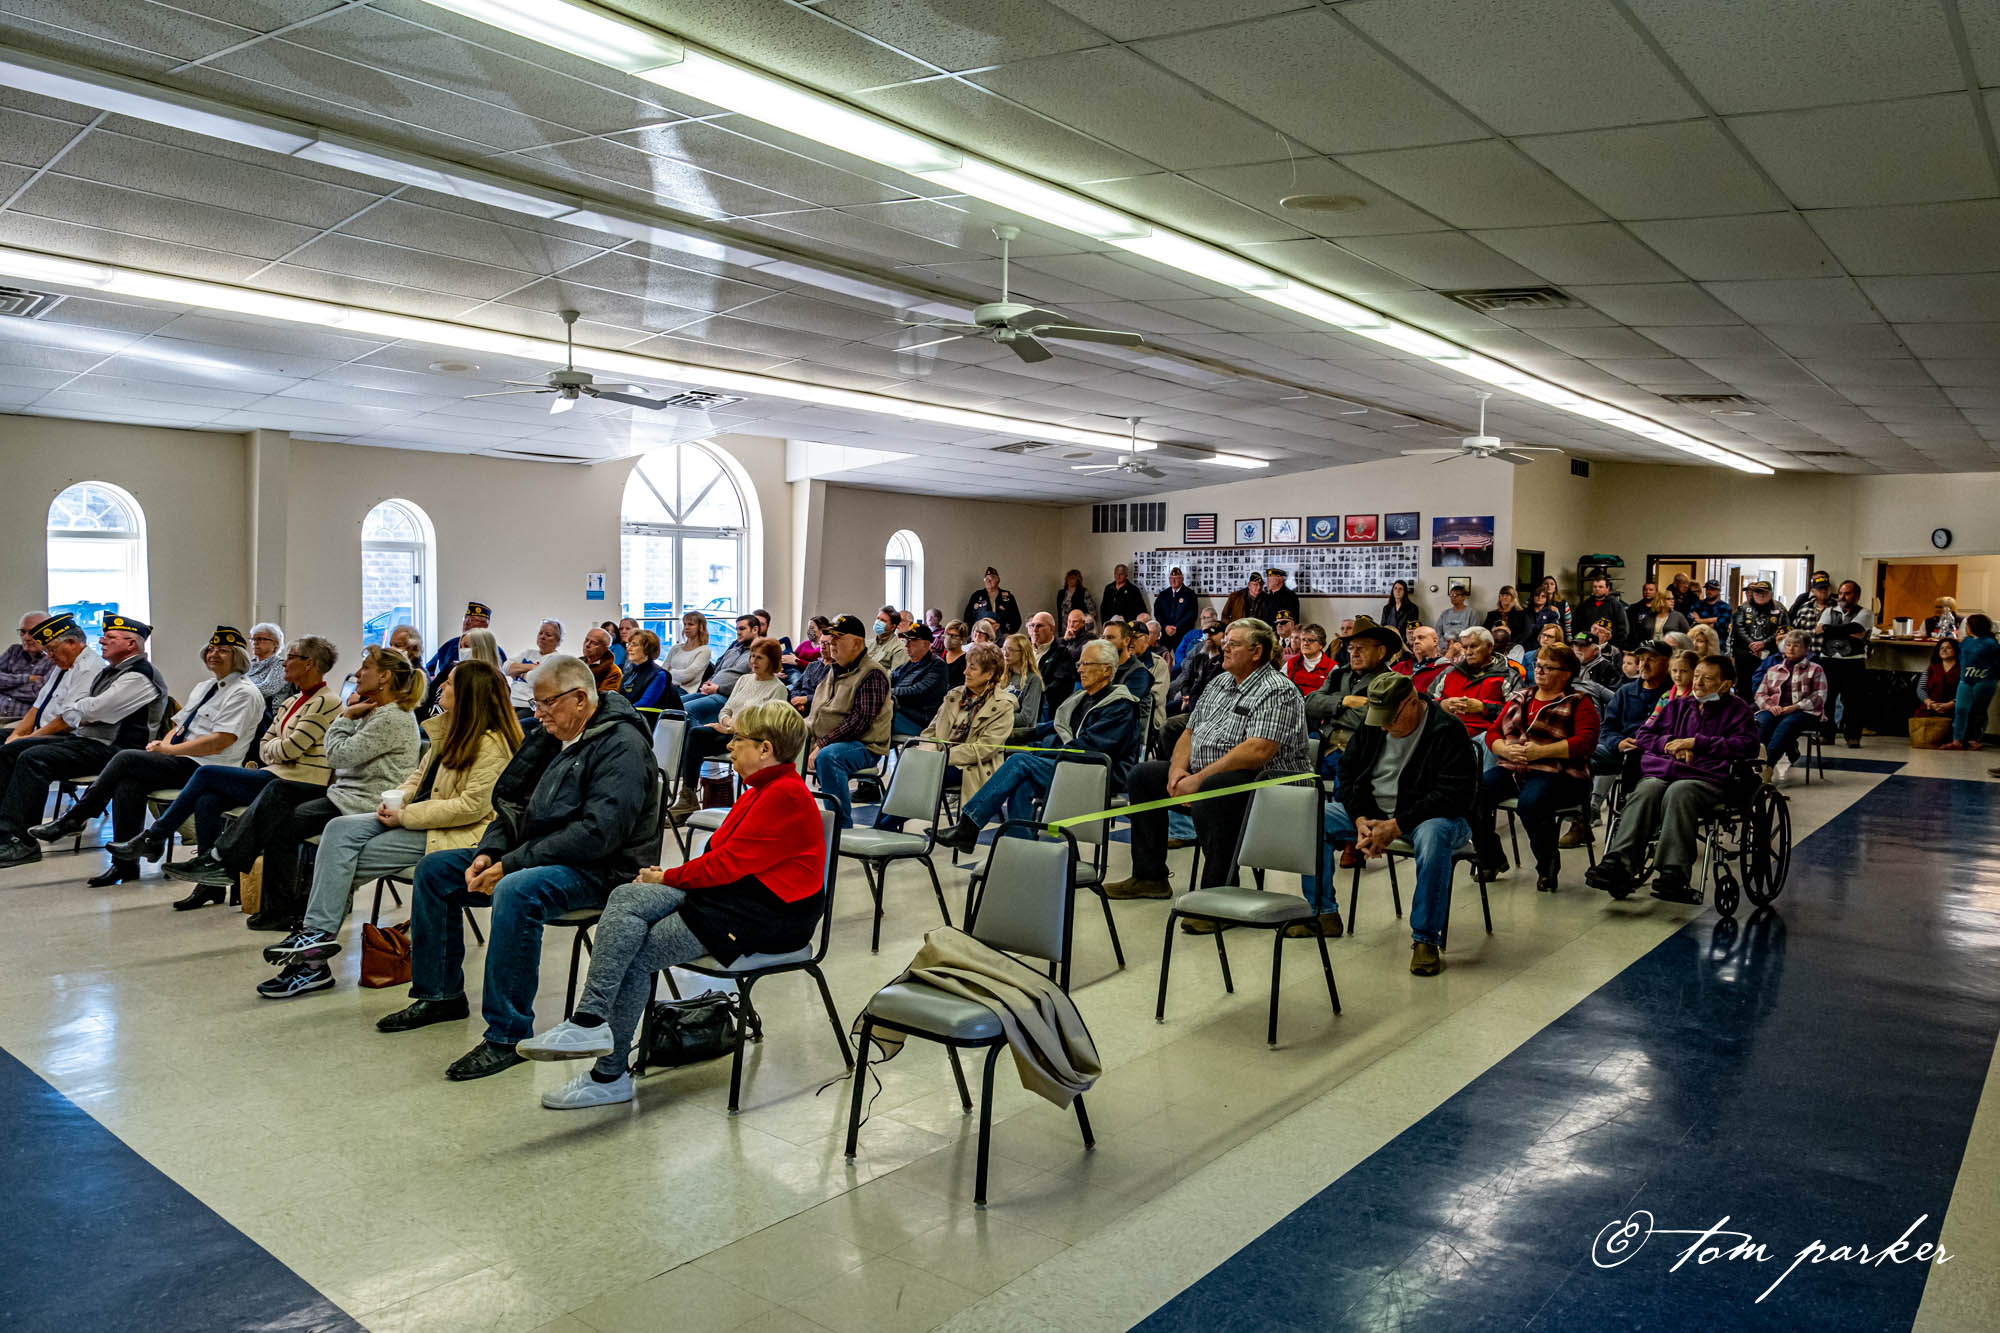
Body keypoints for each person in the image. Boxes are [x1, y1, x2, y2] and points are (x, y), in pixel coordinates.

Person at [518, 701, 825, 1108]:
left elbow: (725, 865)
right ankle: (589, 1022)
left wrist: (667, 877)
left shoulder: (782, 795)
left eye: (738, 739)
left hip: (766, 915)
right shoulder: (763, 788)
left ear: (765, 749)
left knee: (636, 952)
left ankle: (607, 1070)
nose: (729, 746)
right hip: (736, 895)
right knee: (626, 895)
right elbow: (722, 859)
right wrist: (668, 876)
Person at [377, 655, 661, 1082]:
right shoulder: (550, 735)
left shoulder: (622, 745)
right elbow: (510, 802)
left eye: (547, 703)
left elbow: (599, 834)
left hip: (605, 870)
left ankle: (507, 1034)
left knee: (517, 890)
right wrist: (489, 852)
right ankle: (439, 995)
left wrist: (511, 864)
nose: (538, 712)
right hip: (543, 854)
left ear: (579, 699)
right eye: (537, 703)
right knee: (435, 870)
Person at [257, 659, 523, 998]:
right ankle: (315, 940)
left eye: (451, 683)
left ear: (470, 694)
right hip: (419, 818)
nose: (442, 686)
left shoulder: (491, 744)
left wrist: (406, 815)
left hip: (456, 832)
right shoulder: (450, 729)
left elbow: (471, 807)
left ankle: (312, 959)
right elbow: (417, 777)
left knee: (345, 861)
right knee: (338, 830)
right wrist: (396, 801)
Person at [28, 626, 263, 886]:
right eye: (211, 649)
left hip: (208, 767)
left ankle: (76, 818)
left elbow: (220, 742)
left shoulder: (243, 692)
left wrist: (170, 750)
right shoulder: (205, 687)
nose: (214, 654)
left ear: (238, 657)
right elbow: (179, 726)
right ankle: (124, 866)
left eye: (224, 651)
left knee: (127, 758)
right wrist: (163, 744)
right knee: (129, 783)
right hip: (183, 759)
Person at [216, 644, 424, 929]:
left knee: (281, 826)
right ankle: (228, 863)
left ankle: (275, 905)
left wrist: (345, 717)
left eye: (366, 668)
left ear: (384, 677)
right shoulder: (375, 711)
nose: (357, 673)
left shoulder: (391, 717)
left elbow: (336, 756)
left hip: (364, 803)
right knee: (279, 791)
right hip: (345, 794)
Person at [130, 635, 344, 903]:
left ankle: (157, 836)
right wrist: (278, 749)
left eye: (290, 658)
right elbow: (267, 743)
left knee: (206, 774)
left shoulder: (326, 701)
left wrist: (277, 749)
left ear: (309, 663)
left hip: (301, 782)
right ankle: (209, 883)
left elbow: (289, 749)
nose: (283, 663)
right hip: (277, 773)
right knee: (208, 799)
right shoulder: (292, 701)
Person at [1105, 618, 1308, 898]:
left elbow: (1257, 751)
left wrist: (1198, 780)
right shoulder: (1220, 683)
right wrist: (1177, 772)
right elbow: (1189, 732)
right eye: (1225, 643)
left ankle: (1218, 893)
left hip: (1269, 788)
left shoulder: (1278, 690)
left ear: (1256, 652)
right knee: (1144, 776)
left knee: (1217, 789)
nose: (1225, 648)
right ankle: (1149, 877)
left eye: (1233, 644)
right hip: (1213, 777)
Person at [1304, 672, 1477, 974]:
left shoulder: (1447, 730)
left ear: (1412, 702)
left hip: (1430, 817)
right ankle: (1322, 913)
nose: (1384, 726)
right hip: (1375, 812)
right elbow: (1348, 774)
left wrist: (1395, 826)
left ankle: (1425, 939)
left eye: (1391, 719)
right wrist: (1360, 819)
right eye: (1380, 719)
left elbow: (1452, 795)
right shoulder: (1373, 725)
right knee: (1312, 818)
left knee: (1433, 836)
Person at [934, 640, 1142, 848]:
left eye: (1086, 664)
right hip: (1072, 765)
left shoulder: (1120, 706)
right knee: (1022, 784)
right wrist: (1013, 735)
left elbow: (1089, 748)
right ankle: (1021, 849)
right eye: (1080, 664)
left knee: (1020, 762)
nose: (1080, 670)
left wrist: (1043, 754)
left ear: (1106, 670)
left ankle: (968, 827)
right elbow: (1054, 726)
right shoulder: (1082, 698)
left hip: (1100, 773)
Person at [1588, 655, 1759, 904]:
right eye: (1697, 675)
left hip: (1707, 777)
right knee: (1647, 789)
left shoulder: (1738, 710)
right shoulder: (1678, 705)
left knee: (1680, 792)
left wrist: (1696, 743)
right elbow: (1644, 734)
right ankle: (1619, 862)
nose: (1698, 682)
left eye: (1708, 678)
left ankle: (1674, 872)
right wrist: (1670, 744)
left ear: (1725, 684)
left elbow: (1747, 746)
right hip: (1665, 771)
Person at [0, 614, 166, 870]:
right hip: (90, 741)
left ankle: (20, 840)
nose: (101, 641)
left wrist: (81, 709)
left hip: (115, 750)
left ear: (131, 644)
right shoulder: (113, 671)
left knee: (32, 758)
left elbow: (93, 711)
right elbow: (74, 710)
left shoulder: (139, 675)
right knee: (18, 750)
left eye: (110, 637)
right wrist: (81, 709)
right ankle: (8, 832)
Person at [1475, 643, 1599, 891]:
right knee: (1474, 794)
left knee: (1531, 803)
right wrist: (1503, 749)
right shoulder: (1521, 697)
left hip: (1560, 773)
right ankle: (1491, 857)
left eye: (1548, 667)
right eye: (1538, 665)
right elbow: (1493, 732)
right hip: (1515, 767)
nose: (1539, 671)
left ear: (1565, 674)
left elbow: (1586, 742)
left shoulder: (1579, 702)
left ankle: (1547, 864)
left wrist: (1542, 751)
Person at [1569, 638, 1674, 848]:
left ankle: (1632, 818)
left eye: (1652, 659)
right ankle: (1581, 820)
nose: (1644, 664)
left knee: (1638, 759)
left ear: (1667, 663)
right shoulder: (1626, 692)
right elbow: (1607, 729)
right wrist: (1618, 743)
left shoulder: (1675, 694)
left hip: (1657, 753)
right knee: (1578, 755)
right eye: (1641, 659)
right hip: (1620, 749)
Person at [670, 637, 791, 816]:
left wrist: (732, 728)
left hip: (752, 738)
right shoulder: (744, 680)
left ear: (772, 661)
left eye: (759, 657)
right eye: (752, 656)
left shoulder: (778, 689)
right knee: (696, 733)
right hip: (729, 731)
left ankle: (696, 799)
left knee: (702, 736)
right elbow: (725, 710)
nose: (753, 661)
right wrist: (727, 724)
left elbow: (767, 725)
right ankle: (688, 796)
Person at [806, 615, 893, 830]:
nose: (832, 643)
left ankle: (840, 828)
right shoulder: (834, 669)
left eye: (838, 638)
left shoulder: (872, 673)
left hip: (864, 745)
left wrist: (823, 743)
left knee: (828, 757)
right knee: (780, 744)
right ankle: (790, 818)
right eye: (831, 638)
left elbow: (860, 721)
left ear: (856, 643)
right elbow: (818, 713)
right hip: (827, 738)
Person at [918, 642, 1015, 809]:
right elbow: (930, 732)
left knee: (921, 776)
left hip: (973, 767)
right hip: (939, 759)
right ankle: (888, 822)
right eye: (966, 666)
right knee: (909, 768)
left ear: (989, 674)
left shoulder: (1002, 706)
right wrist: (928, 752)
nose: (965, 672)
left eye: (972, 668)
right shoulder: (954, 696)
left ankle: (889, 822)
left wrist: (942, 756)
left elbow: (983, 749)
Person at [1308, 616, 1401, 758]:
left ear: (1381, 652)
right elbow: (1310, 702)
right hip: (1326, 749)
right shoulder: (1338, 674)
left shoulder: (1390, 681)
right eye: (1351, 648)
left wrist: (1329, 712)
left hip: (1362, 754)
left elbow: (1369, 720)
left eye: (1361, 648)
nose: (1354, 653)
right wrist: (1344, 701)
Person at [1754, 630, 1827, 779]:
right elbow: (1760, 694)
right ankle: (1757, 764)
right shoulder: (1773, 670)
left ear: (1806, 649)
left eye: (1796, 645)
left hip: (1805, 712)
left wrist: (1795, 707)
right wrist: (1770, 706)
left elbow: (1819, 696)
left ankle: (1768, 766)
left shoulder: (1815, 669)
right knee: (1762, 722)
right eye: (1788, 645)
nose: (1791, 649)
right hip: (1776, 710)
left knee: (1787, 724)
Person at [1431, 626, 1511, 760]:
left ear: (1489, 647)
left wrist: (1483, 708)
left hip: (1485, 738)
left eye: (1473, 646)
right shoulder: (1449, 673)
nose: (1468, 652)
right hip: (1446, 734)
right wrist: (1442, 705)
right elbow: (1424, 704)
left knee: (1489, 739)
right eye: (1465, 647)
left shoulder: (1507, 676)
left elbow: (1516, 714)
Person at [1817, 579, 1873, 748]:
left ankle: (1853, 736)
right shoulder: (1828, 611)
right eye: (1840, 593)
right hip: (1829, 660)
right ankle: (1827, 734)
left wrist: (1829, 629)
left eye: (1847, 593)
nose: (1842, 597)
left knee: (1853, 700)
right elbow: (1819, 630)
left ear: (1856, 596)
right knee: (1826, 699)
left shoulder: (1865, 613)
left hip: (1853, 661)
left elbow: (1856, 629)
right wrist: (1846, 631)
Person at [686, 614, 758, 726]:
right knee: (674, 705)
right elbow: (716, 672)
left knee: (686, 710)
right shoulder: (732, 651)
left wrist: (719, 689)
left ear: (755, 629)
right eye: (737, 629)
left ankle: (697, 736)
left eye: (742, 629)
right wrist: (708, 683)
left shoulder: (758, 655)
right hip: (710, 692)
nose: (738, 632)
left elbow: (750, 684)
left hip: (727, 697)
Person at [1945, 614, 1999, 751]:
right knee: (1960, 708)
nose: (1966, 628)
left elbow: (1997, 662)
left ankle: (1974, 739)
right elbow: (1960, 658)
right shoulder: (1966, 641)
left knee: (1977, 710)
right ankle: (1957, 740)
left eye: (1968, 625)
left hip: (1984, 680)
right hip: (1965, 680)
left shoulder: (1990, 643)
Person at [887, 624, 948, 739]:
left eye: (912, 641)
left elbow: (918, 691)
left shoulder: (938, 666)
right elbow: (887, 681)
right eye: (906, 640)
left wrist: (888, 692)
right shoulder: (906, 666)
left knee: (876, 717)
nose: (906, 645)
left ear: (926, 644)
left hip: (920, 722)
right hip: (900, 713)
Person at [507, 619, 563, 723]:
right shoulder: (528, 653)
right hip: (511, 703)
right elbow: (506, 667)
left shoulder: (556, 659)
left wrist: (520, 673)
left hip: (529, 707)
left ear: (557, 640)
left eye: (548, 635)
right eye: (540, 633)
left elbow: (537, 680)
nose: (542, 637)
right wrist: (531, 667)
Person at [426, 600, 499, 679]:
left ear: (485, 625)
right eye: (465, 618)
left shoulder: (492, 649)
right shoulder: (449, 646)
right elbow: (429, 668)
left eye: (472, 620)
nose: (466, 622)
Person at [0, 611, 50, 723]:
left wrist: (4, 687)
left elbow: (39, 693)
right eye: (23, 632)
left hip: (26, 722)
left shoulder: (54, 659)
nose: (26, 637)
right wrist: (27, 678)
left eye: (33, 632)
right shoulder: (14, 651)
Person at [1736, 580, 1788, 687]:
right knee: (1744, 686)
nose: (1761, 596)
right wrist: (1751, 643)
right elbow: (1738, 628)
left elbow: (1784, 629)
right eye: (1758, 592)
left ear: (1771, 594)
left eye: (1765, 593)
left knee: (1768, 685)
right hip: (1745, 654)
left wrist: (1764, 643)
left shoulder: (1780, 608)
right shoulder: (1744, 608)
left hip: (1771, 655)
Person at [1025, 612, 1077, 718]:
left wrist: (1033, 693)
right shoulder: (1024, 650)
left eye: (1039, 626)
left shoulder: (1062, 653)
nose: (1034, 630)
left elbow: (1059, 686)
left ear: (1051, 629)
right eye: (1032, 625)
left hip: (1046, 705)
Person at [618, 630, 681, 714]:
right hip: (630, 715)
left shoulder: (659, 675)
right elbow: (619, 698)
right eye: (628, 644)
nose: (629, 648)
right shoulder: (630, 671)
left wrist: (618, 712)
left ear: (648, 648)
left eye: (634, 645)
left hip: (649, 719)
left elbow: (644, 705)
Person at [1000, 632, 1044, 736]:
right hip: (999, 729)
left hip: (1017, 734)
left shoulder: (1033, 679)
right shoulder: (1001, 676)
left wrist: (996, 718)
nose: (1005, 654)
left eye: (1011, 650)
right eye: (1004, 649)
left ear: (1023, 653)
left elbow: (1026, 718)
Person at [1575, 572, 1630, 649]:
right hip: (1588, 646)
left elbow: (1622, 630)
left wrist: (1615, 647)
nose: (1597, 589)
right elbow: (1576, 627)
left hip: (1609, 647)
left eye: (1600, 587)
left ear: (1607, 589)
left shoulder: (1616, 606)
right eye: (1595, 587)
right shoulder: (1584, 606)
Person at [962, 566, 1021, 636]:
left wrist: (1009, 633)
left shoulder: (1008, 597)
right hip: (981, 634)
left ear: (998, 580)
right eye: (986, 578)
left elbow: (1016, 619)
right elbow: (968, 617)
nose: (988, 581)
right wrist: (971, 634)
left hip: (1002, 634)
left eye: (992, 578)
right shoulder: (976, 596)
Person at [1153, 567, 1198, 656]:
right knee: (1162, 658)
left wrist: (1177, 627)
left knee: (1181, 660)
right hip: (1165, 634)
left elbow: (1191, 615)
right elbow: (1157, 612)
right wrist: (1165, 626)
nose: (1173, 581)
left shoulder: (1190, 594)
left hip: (1182, 634)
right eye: (1171, 578)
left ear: (1182, 579)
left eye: (1176, 578)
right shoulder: (1163, 594)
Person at [666, 612, 712, 694]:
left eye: (691, 624)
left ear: (700, 627)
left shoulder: (704, 651)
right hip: (667, 686)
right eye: (685, 624)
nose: (686, 627)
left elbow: (686, 676)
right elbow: (663, 670)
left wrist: (669, 674)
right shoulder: (675, 648)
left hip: (684, 690)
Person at [1916, 637, 1961, 720]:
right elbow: (1921, 689)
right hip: (1931, 707)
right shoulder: (1932, 668)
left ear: (1956, 650)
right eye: (1941, 648)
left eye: (1948, 648)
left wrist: (1950, 705)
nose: (1944, 650)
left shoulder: (1962, 670)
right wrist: (1929, 702)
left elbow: (1966, 692)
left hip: (1955, 708)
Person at [1285, 623, 1333, 696]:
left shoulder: (1331, 667)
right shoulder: (1292, 662)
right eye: (1303, 639)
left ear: (1321, 645)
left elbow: (1334, 695)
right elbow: (1278, 685)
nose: (1305, 643)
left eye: (1310, 640)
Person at [1402, 625, 1449, 695]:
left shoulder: (1445, 668)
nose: (1416, 642)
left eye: (1421, 638)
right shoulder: (1400, 666)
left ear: (1435, 641)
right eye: (1414, 639)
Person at [579, 625, 623, 694]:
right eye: (586, 640)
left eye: (594, 643)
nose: (587, 645)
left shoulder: (613, 672)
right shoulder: (576, 664)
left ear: (605, 648)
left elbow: (604, 698)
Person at [1689, 579, 1734, 645]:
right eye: (1707, 589)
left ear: (1719, 591)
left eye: (1712, 589)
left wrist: (1700, 621)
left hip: (1718, 645)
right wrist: (1714, 620)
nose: (1709, 591)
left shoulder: (1725, 607)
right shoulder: (1697, 605)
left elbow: (1720, 627)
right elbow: (1691, 623)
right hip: (1698, 644)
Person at [867, 604, 908, 673]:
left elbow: (895, 675)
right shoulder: (868, 644)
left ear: (893, 627)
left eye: (883, 620)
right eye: (878, 618)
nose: (878, 622)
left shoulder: (899, 648)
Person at [1176, 606, 1219, 670]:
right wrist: (1183, 663)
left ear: (1215, 621)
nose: (1204, 620)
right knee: (1175, 669)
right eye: (1202, 618)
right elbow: (1179, 651)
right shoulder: (1191, 634)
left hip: (1206, 666)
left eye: (1207, 618)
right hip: (1186, 665)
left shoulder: (1218, 635)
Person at [1536, 575, 1573, 640]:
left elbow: (1568, 623)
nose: (1549, 586)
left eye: (1552, 584)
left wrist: (1569, 638)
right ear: (1541, 586)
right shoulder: (1535, 600)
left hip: (1558, 635)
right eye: (1546, 584)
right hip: (1539, 635)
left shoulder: (1563, 603)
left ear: (1555, 587)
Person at [940, 619, 970, 690]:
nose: (949, 638)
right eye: (947, 634)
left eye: (953, 636)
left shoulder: (966, 660)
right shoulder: (943, 654)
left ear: (962, 639)